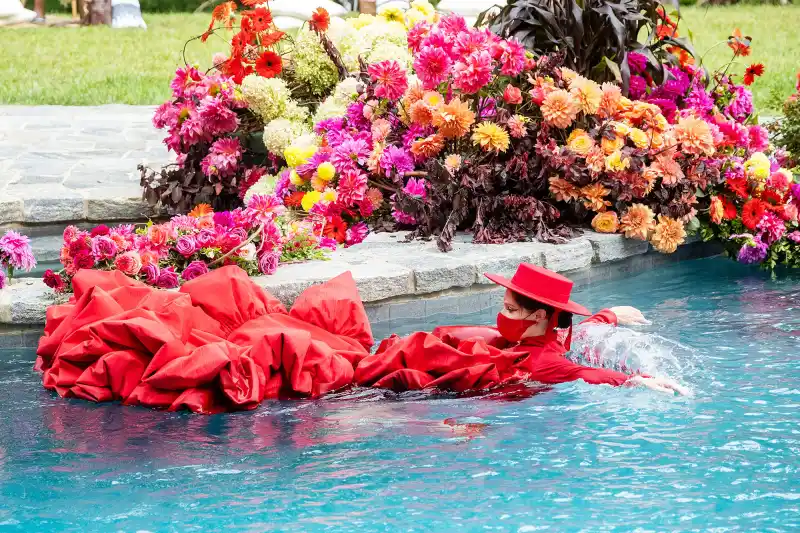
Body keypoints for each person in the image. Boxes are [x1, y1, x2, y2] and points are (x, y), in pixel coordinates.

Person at [355, 263, 689, 395]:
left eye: (511, 310)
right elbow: (576, 330)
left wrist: (636, 380)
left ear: (540, 316)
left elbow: (584, 373)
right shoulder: (553, 335)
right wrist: (609, 315)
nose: (501, 315)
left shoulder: (544, 362)